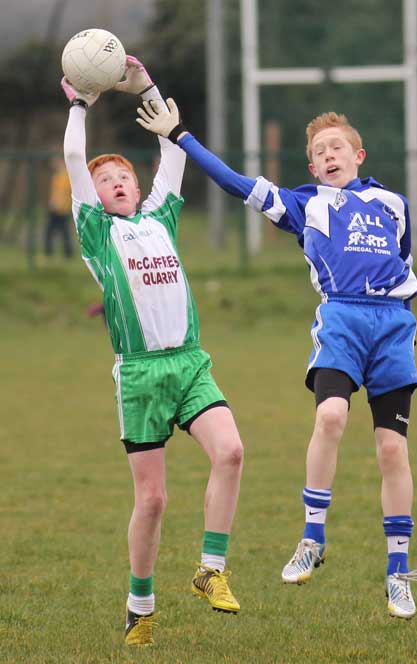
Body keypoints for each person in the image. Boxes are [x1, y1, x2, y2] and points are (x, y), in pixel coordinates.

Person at [136, 99, 417, 619]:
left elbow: (402, 262)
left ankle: (398, 573)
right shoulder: (305, 204)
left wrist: (400, 320)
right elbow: (233, 182)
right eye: (319, 152)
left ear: (357, 154)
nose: (329, 154)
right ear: (313, 168)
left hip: (394, 328)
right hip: (341, 320)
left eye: (337, 146)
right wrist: (181, 136)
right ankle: (313, 537)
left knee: (391, 453)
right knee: (331, 415)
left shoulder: (393, 203)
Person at [61, 57, 244, 648]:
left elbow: (175, 150)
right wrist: (80, 103)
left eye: (123, 176)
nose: (115, 181)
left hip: (191, 362)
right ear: (95, 196)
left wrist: (147, 88)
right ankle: (140, 608)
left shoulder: (161, 215)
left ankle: (211, 570)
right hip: (140, 376)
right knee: (155, 498)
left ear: (139, 187)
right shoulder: (98, 233)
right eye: (105, 179)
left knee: (233, 452)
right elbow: (72, 161)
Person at [44, 154, 74, 259]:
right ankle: (48, 253)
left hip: (63, 209)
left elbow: (69, 193)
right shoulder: (56, 177)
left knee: (65, 232)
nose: (54, 165)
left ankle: (68, 254)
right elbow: (55, 193)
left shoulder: (67, 177)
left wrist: (63, 204)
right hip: (54, 209)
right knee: (49, 231)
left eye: (56, 162)